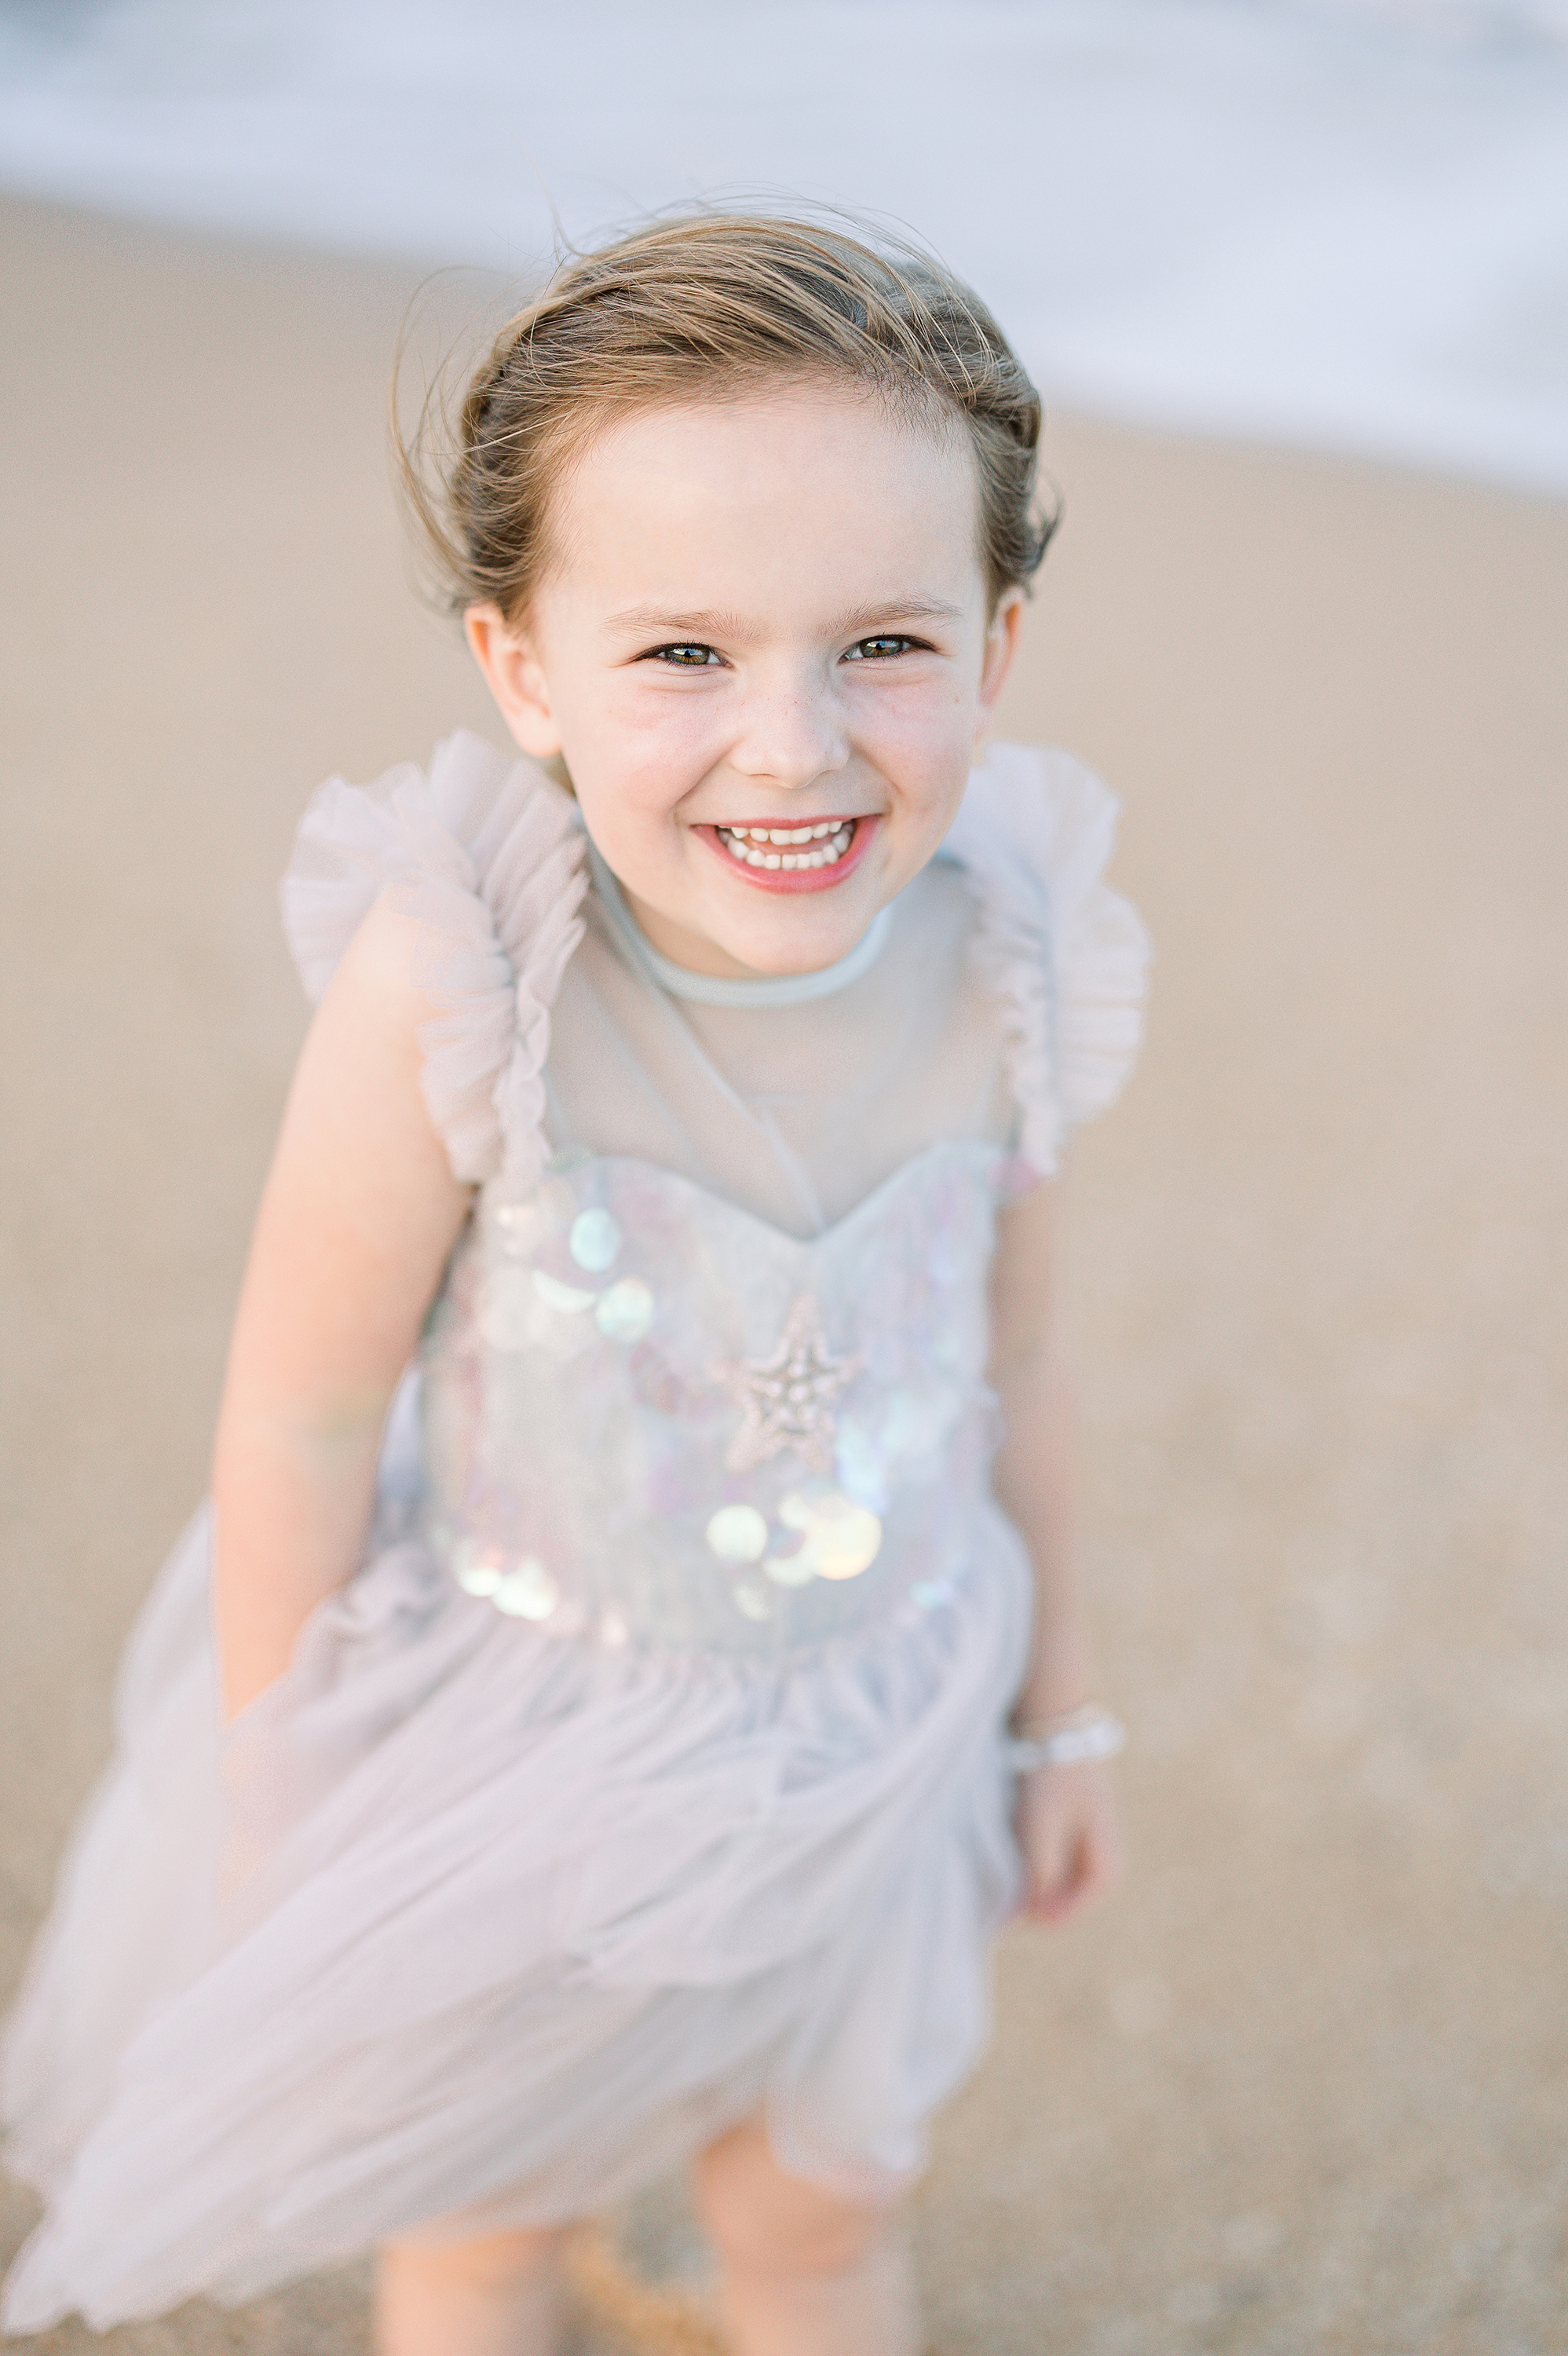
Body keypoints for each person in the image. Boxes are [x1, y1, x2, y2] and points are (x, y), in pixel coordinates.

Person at [1, 214, 1148, 2356]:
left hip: (881, 1718)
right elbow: (302, 1412)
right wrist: (288, 1804)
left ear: (998, 642)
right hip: (520, 1749)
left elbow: (1026, 1359)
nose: (792, 745)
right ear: (522, 663)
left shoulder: (1015, 945)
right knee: (480, 2235)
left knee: (824, 2219)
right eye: (684, 655)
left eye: (881, 644)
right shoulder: (468, 977)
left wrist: (1056, 1705)